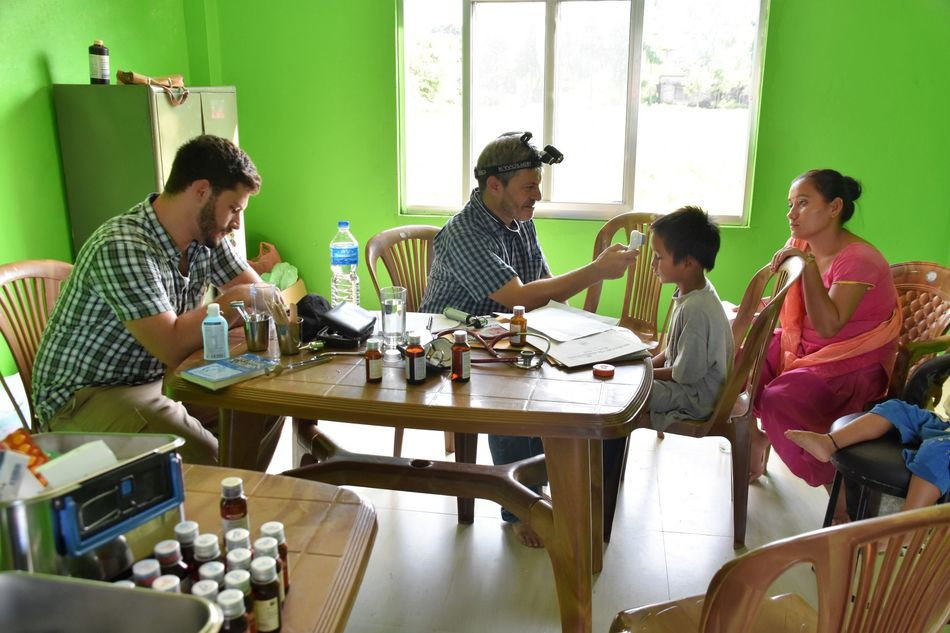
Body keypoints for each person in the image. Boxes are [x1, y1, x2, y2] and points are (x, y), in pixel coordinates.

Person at [420, 131, 639, 547]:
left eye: (538, 186)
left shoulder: (521, 224)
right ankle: (522, 505)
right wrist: (596, 270)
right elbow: (519, 296)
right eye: (530, 186)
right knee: (510, 387)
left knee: (590, 377)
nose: (537, 195)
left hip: (505, 334)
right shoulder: (464, 233)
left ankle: (578, 483)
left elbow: (543, 288)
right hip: (451, 345)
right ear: (494, 186)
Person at [33, 135, 270, 466]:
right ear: (202, 192)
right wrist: (238, 301)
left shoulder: (206, 237)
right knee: (209, 457)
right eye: (233, 208)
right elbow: (171, 344)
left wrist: (260, 300)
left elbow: (262, 298)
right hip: (89, 396)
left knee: (264, 408)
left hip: (159, 379)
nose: (237, 223)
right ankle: (225, 493)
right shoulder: (124, 245)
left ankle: (236, 494)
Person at [749, 169, 901, 520]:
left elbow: (829, 326)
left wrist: (809, 267)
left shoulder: (857, 259)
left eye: (803, 204)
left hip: (851, 364)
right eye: (790, 205)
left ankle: (837, 484)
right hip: (807, 349)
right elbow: (784, 307)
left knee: (780, 398)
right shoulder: (800, 246)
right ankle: (761, 436)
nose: (791, 214)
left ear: (834, 208)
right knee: (745, 362)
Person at [786, 368, 949, 513]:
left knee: (936, 451)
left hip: (944, 442)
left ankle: (907, 527)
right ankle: (829, 443)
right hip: (943, 426)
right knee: (894, 408)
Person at [644, 206, 734, 431]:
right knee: (630, 383)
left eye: (658, 257)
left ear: (688, 263)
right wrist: (645, 366)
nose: (653, 264)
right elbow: (674, 353)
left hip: (696, 399)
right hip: (689, 387)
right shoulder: (694, 292)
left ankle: (617, 457)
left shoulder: (696, 310)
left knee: (627, 395)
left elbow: (683, 374)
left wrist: (642, 376)